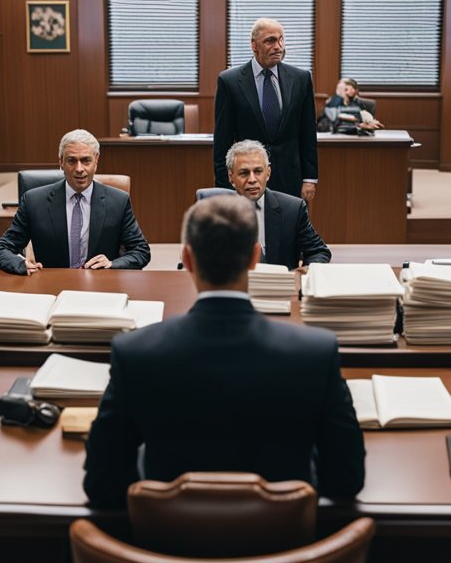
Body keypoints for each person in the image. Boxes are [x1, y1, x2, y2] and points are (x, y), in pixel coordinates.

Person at [82, 192, 365, 509]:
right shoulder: (316, 353)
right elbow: (347, 479)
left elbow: (102, 483)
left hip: (169, 545)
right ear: (255, 258)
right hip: (282, 546)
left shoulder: (135, 353)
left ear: (186, 259)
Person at [0, 129, 151, 275]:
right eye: (72, 161)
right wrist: (21, 264)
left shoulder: (118, 201)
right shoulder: (34, 201)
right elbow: (1, 249)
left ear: (96, 160)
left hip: (101, 289)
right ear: (61, 162)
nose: (79, 168)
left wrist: (112, 264)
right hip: (52, 287)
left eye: (86, 160)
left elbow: (141, 251)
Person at [213, 17, 318, 203]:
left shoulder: (301, 78)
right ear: (254, 45)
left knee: (289, 231)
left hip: (290, 179)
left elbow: (307, 133)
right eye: (270, 41)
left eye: (281, 39)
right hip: (248, 180)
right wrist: (225, 188)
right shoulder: (230, 82)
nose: (278, 46)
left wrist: (310, 179)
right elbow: (223, 142)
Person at [225, 139, 331, 272]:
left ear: (268, 173)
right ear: (231, 177)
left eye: (258, 171)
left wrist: (304, 273)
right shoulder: (218, 213)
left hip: (281, 289)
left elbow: (319, 252)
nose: (252, 180)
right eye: (244, 173)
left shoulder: (292, 209)